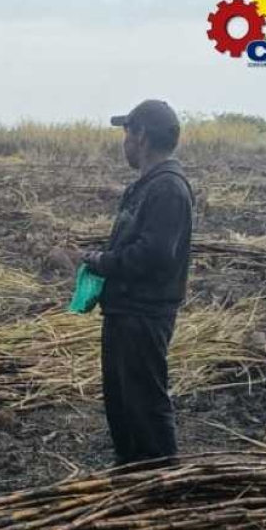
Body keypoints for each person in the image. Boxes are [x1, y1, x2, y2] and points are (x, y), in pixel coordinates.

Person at [69, 100, 194, 467]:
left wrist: (104, 262)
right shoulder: (146, 186)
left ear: (140, 135)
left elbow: (155, 255)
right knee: (123, 402)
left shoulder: (168, 189)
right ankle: (132, 473)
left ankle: (161, 481)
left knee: (145, 403)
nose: (123, 141)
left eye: (126, 132)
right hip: (125, 310)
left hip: (145, 313)